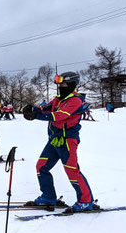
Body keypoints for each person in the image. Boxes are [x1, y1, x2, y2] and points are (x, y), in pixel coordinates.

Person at [22, 71, 95, 212]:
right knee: (41, 166)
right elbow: (45, 108)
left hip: (67, 140)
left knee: (72, 170)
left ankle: (86, 201)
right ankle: (48, 197)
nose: (60, 86)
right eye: (59, 83)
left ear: (71, 84)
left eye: (63, 83)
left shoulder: (75, 100)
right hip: (54, 140)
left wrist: (37, 116)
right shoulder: (59, 99)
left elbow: (59, 116)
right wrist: (33, 109)